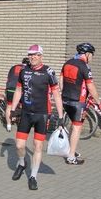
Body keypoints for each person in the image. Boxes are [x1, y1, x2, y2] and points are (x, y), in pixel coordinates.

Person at [5, 45, 64, 190]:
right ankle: (22, 163)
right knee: (19, 145)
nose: (32, 57)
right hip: (26, 113)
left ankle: (33, 176)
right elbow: (19, 90)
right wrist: (13, 109)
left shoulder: (48, 72)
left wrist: (61, 116)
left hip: (41, 115)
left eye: (35, 54)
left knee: (38, 146)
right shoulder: (23, 71)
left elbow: (56, 95)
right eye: (30, 55)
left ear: (41, 56)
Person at [59, 42, 101, 165]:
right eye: (91, 55)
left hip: (65, 100)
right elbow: (91, 87)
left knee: (73, 125)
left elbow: (61, 81)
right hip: (78, 102)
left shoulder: (67, 63)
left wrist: (64, 94)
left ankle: (70, 150)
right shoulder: (84, 66)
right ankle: (71, 157)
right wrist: (98, 102)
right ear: (87, 54)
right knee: (77, 128)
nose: (92, 57)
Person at [5, 57, 30, 131]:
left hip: (10, 88)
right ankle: (21, 125)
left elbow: (8, 79)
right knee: (23, 107)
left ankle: (8, 125)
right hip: (19, 90)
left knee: (9, 106)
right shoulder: (27, 69)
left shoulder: (13, 67)